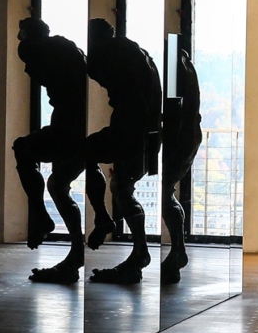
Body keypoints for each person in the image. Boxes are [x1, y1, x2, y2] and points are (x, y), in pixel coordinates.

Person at [83, 17, 163, 284]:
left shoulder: (113, 53)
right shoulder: (139, 54)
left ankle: (107, 222)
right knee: (121, 186)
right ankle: (138, 251)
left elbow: (96, 70)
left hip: (131, 127)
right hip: (147, 128)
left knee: (91, 158)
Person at [12, 16, 87, 283]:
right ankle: (75, 250)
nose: (28, 72)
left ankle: (40, 216)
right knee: (59, 184)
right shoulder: (67, 51)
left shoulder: (40, 51)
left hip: (68, 126)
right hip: (73, 123)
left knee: (24, 150)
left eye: (30, 67)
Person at [160, 47, 204, 284]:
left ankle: (178, 250)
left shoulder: (176, 68)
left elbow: (174, 107)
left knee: (165, 191)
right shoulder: (186, 66)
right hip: (187, 134)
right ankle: (178, 249)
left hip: (180, 136)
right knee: (167, 191)